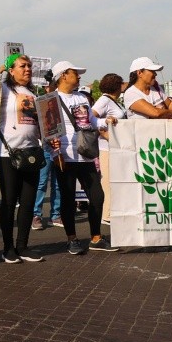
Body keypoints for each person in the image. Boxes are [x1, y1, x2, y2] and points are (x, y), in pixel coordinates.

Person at [50, 61, 118, 255]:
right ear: (63, 75)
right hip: (65, 156)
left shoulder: (82, 98)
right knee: (68, 199)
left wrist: (106, 121)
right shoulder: (51, 99)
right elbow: (48, 129)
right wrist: (55, 152)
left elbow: (92, 120)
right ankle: (72, 238)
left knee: (97, 196)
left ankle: (96, 237)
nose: (78, 76)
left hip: (86, 155)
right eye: (75, 73)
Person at [0, 53, 49, 263]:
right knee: (8, 202)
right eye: (22, 66)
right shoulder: (2, 90)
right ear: (11, 70)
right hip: (7, 154)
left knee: (27, 203)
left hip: (32, 153)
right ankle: (8, 248)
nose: (27, 69)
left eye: (29, 66)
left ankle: (23, 246)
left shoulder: (33, 94)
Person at [92, 73, 126, 225]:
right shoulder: (104, 100)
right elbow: (91, 117)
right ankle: (106, 214)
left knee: (114, 180)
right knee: (107, 181)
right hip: (106, 148)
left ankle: (112, 211)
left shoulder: (113, 101)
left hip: (115, 147)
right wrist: (105, 134)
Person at [32, 73, 62, 230]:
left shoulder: (62, 102)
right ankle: (36, 214)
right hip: (45, 148)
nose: (51, 87)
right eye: (48, 85)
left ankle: (55, 215)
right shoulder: (41, 103)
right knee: (42, 182)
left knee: (57, 184)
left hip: (60, 149)